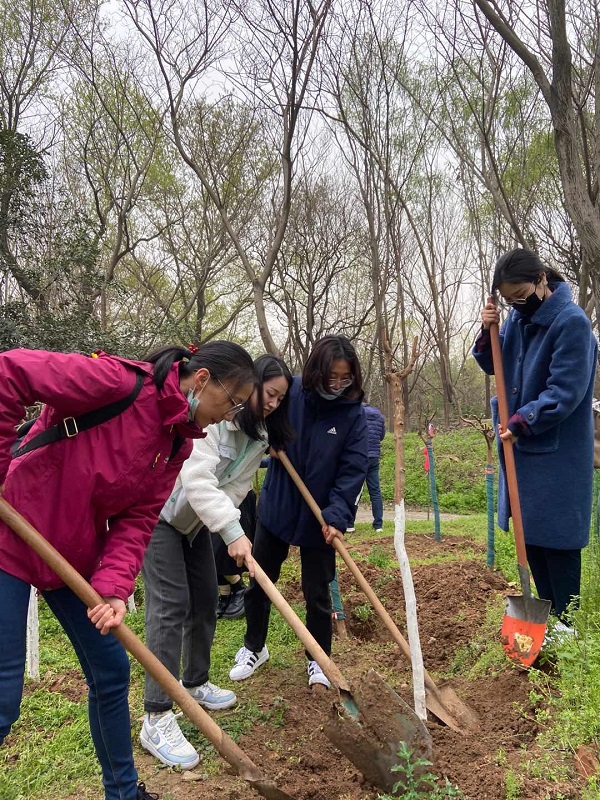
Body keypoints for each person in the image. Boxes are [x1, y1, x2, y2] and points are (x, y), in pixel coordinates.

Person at [0, 342, 256, 800]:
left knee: (111, 671)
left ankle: (123, 793)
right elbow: (10, 372)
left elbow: (138, 520)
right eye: (232, 402)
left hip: (69, 554)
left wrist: (114, 588)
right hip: (10, 531)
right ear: (202, 380)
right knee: (3, 697)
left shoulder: (177, 443)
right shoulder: (117, 383)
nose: (229, 415)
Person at [140, 354, 293, 769]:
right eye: (269, 393)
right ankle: (156, 715)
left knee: (206, 599)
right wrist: (232, 530)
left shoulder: (258, 436)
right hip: (160, 516)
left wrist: (228, 528)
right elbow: (195, 478)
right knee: (170, 606)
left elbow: (238, 488)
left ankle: (195, 682)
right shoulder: (214, 418)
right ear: (250, 387)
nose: (273, 403)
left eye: (281, 398)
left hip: (196, 524)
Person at [229, 335, 368, 688]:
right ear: (315, 371)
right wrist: (268, 441)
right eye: (331, 377)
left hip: (321, 516)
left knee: (318, 593)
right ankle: (254, 647)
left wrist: (337, 516)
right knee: (260, 582)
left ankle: (319, 659)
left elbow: (353, 469)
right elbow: (258, 416)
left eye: (345, 378)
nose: (337, 385)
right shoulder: (289, 393)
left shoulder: (352, 414)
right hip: (278, 506)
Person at [473, 248, 597, 627]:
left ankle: (567, 628)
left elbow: (565, 392)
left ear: (542, 279)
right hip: (521, 450)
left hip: (556, 456)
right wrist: (488, 331)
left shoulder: (571, 323)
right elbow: (494, 364)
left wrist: (522, 420)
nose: (517, 305)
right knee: (532, 541)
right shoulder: (517, 319)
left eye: (521, 296)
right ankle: (545, 624)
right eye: (509, 300)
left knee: (558, 543)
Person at [347, 400, 385, 533]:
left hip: (360, 456)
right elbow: (381, 436)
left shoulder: (357, 413)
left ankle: (350, 524)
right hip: (374, 457)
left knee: (356, 490)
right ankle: (378, 525)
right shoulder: (379, 416)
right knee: (375, 491)